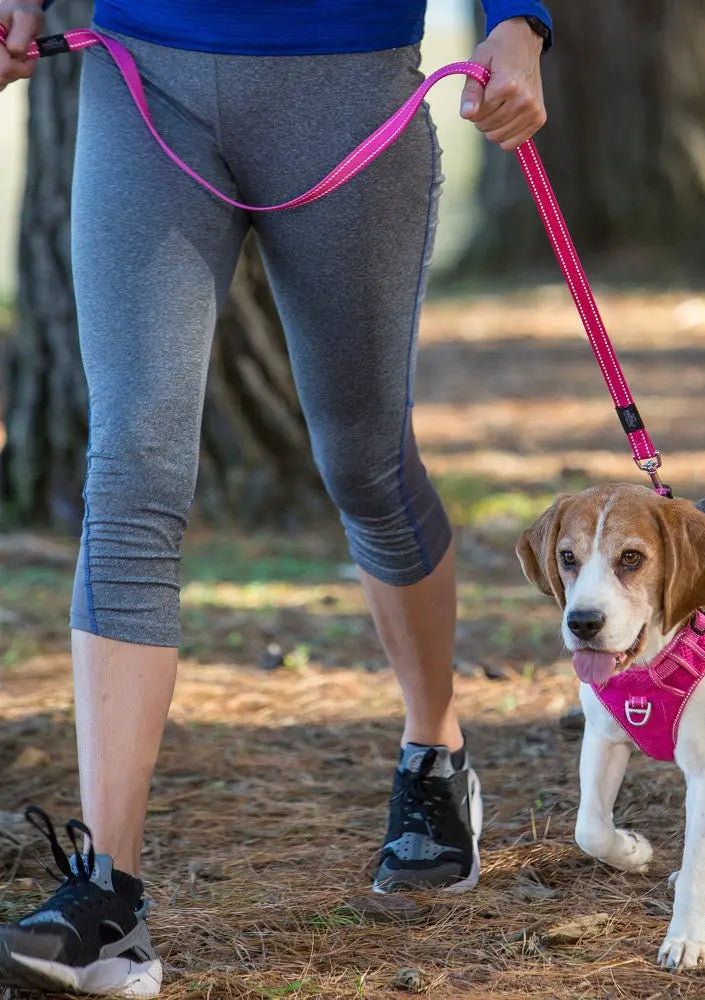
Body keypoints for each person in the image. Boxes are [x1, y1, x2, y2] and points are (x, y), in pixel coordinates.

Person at [0, 0, 550, 994]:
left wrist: (517, 20)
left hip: (346, 88)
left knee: (364, 463)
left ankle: (434, 754)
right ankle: (106, 894)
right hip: (146, 79)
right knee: (131, 465)